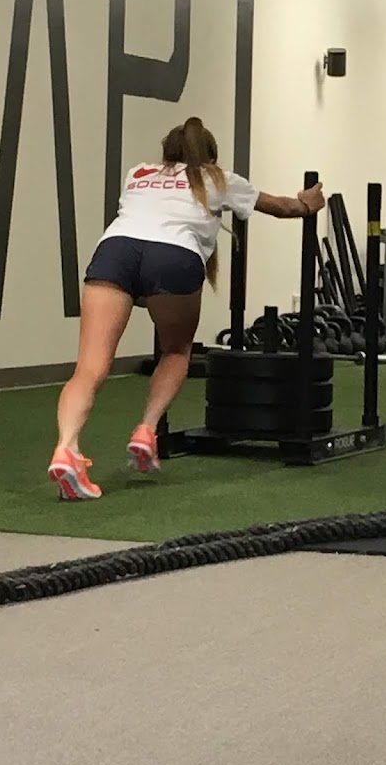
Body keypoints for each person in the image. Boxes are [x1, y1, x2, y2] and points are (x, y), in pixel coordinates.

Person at [48, 116, 325, 501]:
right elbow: (281, 207)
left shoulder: (138, 173)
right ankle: (146, 430)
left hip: (115, 250)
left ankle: (67, 447)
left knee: (89, 368)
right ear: (209, 153)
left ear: (168, 152)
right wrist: (308, 203)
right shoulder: (219, 178)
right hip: (174, 256)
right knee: (176, 350)